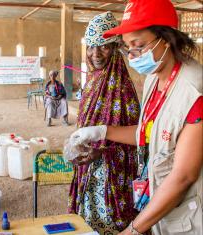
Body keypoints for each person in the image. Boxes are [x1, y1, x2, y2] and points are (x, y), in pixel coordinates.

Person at [70, 0, 203, 234]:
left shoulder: (195, 90)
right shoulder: (154, 77)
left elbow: (183, 175)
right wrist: (101, 131)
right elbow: (147, 132)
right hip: (161, 207)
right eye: (127, 47)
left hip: (190, 216)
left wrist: (132, 229)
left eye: (138, 46)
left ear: (167, 38)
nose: (132, 56)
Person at [67, 12, 140, 234]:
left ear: (115, 48)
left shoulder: (124, 89)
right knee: (86, 224)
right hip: (86, 170)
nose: (95, 53)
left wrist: (102, 151)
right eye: (91, 46)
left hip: (110, 176)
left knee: (107, 225)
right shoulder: (92, 81)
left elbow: (137, 141)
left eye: (103, 46)